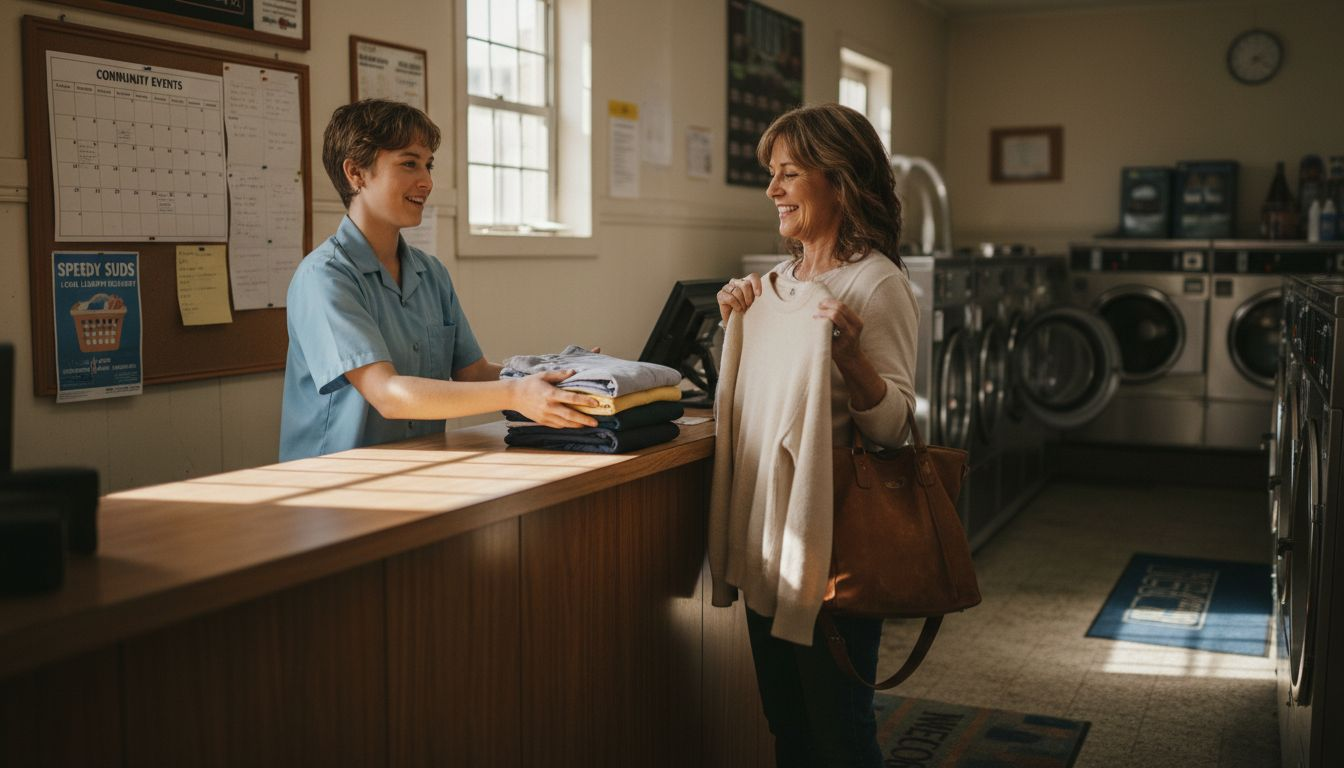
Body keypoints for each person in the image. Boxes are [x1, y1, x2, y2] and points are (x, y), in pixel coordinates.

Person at [710, 103, 919, 767]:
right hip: (768, 540)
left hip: (833, 547)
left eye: (789, 173)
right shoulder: (772, 285)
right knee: (787, 725)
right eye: (772, 173)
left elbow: (893, 430)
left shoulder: (875, 283)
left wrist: (853, 358)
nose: (772, 189)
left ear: (840, 182)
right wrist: (735, 325)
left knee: (840, 734)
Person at [280, 99, 598, 461]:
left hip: (421, 465)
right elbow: (385, 393)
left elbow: (473, 372)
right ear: (356, 173)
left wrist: (563, 375)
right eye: (409, 163)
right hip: (333, 484)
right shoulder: (324, 277)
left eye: (428, 165)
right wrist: (516, 394)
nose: (427, 182)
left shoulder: (430, 273)